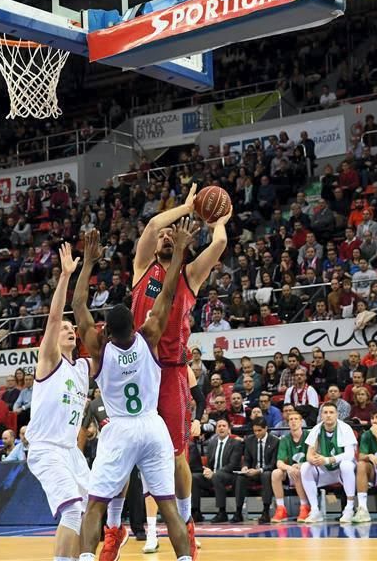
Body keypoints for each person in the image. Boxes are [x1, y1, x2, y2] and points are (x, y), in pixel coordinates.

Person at [75, 223, 195, 561]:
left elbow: (79, 305)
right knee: (168, 505)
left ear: (106, 331)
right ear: (135, 325)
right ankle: (186, 558)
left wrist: (88, 263)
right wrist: (179, 254)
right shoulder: (149, 336)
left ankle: (88, 557)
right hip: (152, 426)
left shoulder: (99, 350)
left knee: (95, 504)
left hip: (121, 428)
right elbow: (167, 296)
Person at [125, 185, 231, 558]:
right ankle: (131, 529)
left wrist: (220, 221)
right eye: (164, 237)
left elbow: (217, 246)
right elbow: (154, 222)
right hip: (135, 371)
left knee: (175, 456)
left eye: (174, 235)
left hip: (170, 373)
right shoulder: (142, 269)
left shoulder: (189, 275)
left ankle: (185, 522)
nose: (167, 236)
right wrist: (185, 207)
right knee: (134, 457)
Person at [24, 243, 90, 561]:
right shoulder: (50, 360)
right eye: (64, 327)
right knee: (73, 510)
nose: (68, 329)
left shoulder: (83, 370)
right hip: (46, 449)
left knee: (93, 508)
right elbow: (53, 319)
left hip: (71, 453)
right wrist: (65, 276)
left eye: (71, 327)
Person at [300, 402, 358, 524]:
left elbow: (349, 455)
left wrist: (327, 459)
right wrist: (313, 459)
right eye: (325, 412)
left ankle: (349, 508)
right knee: (305, 466)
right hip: (325, 471)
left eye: (331, 412)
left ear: (337, 414)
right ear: (321, 415)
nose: (328, 415)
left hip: (342, 471)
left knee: (346, 465)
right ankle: (315, 510)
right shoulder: (316, 429)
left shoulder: (345, 428)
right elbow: (309, 454)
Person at [234, 418, 280, 524]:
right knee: (240, 477)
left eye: (259, 430)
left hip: (267, 471)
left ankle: (265, 511)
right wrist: (245, 467)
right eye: (255, 431)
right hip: (253, 472)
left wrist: (259, 470)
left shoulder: (275, 441)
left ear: (266, 429)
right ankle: (238, 511)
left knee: (266, 475)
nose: (257, 433)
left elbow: (273, 464)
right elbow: (247, 459)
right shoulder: (250, 440)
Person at [269, 411, 309, 523]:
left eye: (296, 419)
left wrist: (301, 466)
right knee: (276, 473)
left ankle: (304, 506)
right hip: (292, 471)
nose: (293, 421)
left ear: (301, 422)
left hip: (308, 470)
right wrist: (289, 468)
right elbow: (279, 463)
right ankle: (281, 508)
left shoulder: (309, 436)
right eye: (290, 419)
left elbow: (314, 456)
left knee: (297, 472)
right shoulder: (285, 439)